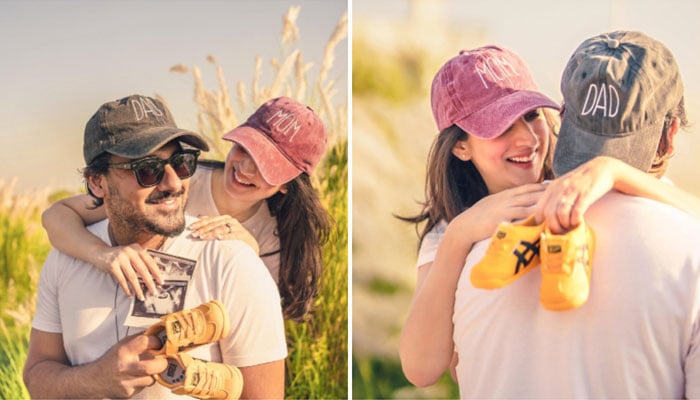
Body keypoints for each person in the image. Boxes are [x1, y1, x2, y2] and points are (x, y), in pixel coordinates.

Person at [399, 43, 700, 389]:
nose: (526, 138)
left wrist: (612, 171)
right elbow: (421, 369)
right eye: (500, 127)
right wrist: (459, 235)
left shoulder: (573, 188)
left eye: (531, 116)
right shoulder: (450, 230)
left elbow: (689, 213)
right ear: (460, 147)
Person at [23, 94, 288, 398]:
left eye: (182, 163)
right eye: (147, 169)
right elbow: (37, 377)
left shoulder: (231, 261)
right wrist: (96, 379)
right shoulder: (65, 259)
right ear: (97, 183)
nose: (173, 183)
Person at [42, 96, 332, 321]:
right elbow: (57, 215)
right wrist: (102, 254)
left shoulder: (278, 236)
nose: (244, 168)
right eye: (244, 149)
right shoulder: (176, 181)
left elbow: (256, 318)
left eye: (265, 165)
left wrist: (248, 255)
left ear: (287, 184)